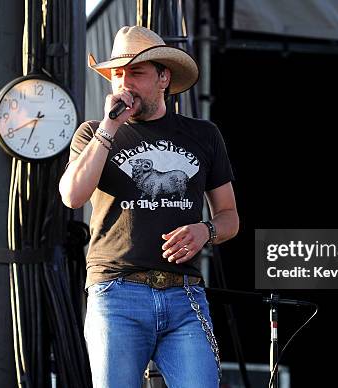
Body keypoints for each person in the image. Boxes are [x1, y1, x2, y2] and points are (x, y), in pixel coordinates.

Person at [58, 25, 239, 388]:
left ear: (163, 78)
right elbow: (72, 196)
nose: (125, 83)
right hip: (117, 293)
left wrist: (206, 230)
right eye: (118, 74)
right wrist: (109, 129)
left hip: (184, 296)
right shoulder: (93, 134)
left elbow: (230, 217)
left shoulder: (203, 135)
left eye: (136, 73)